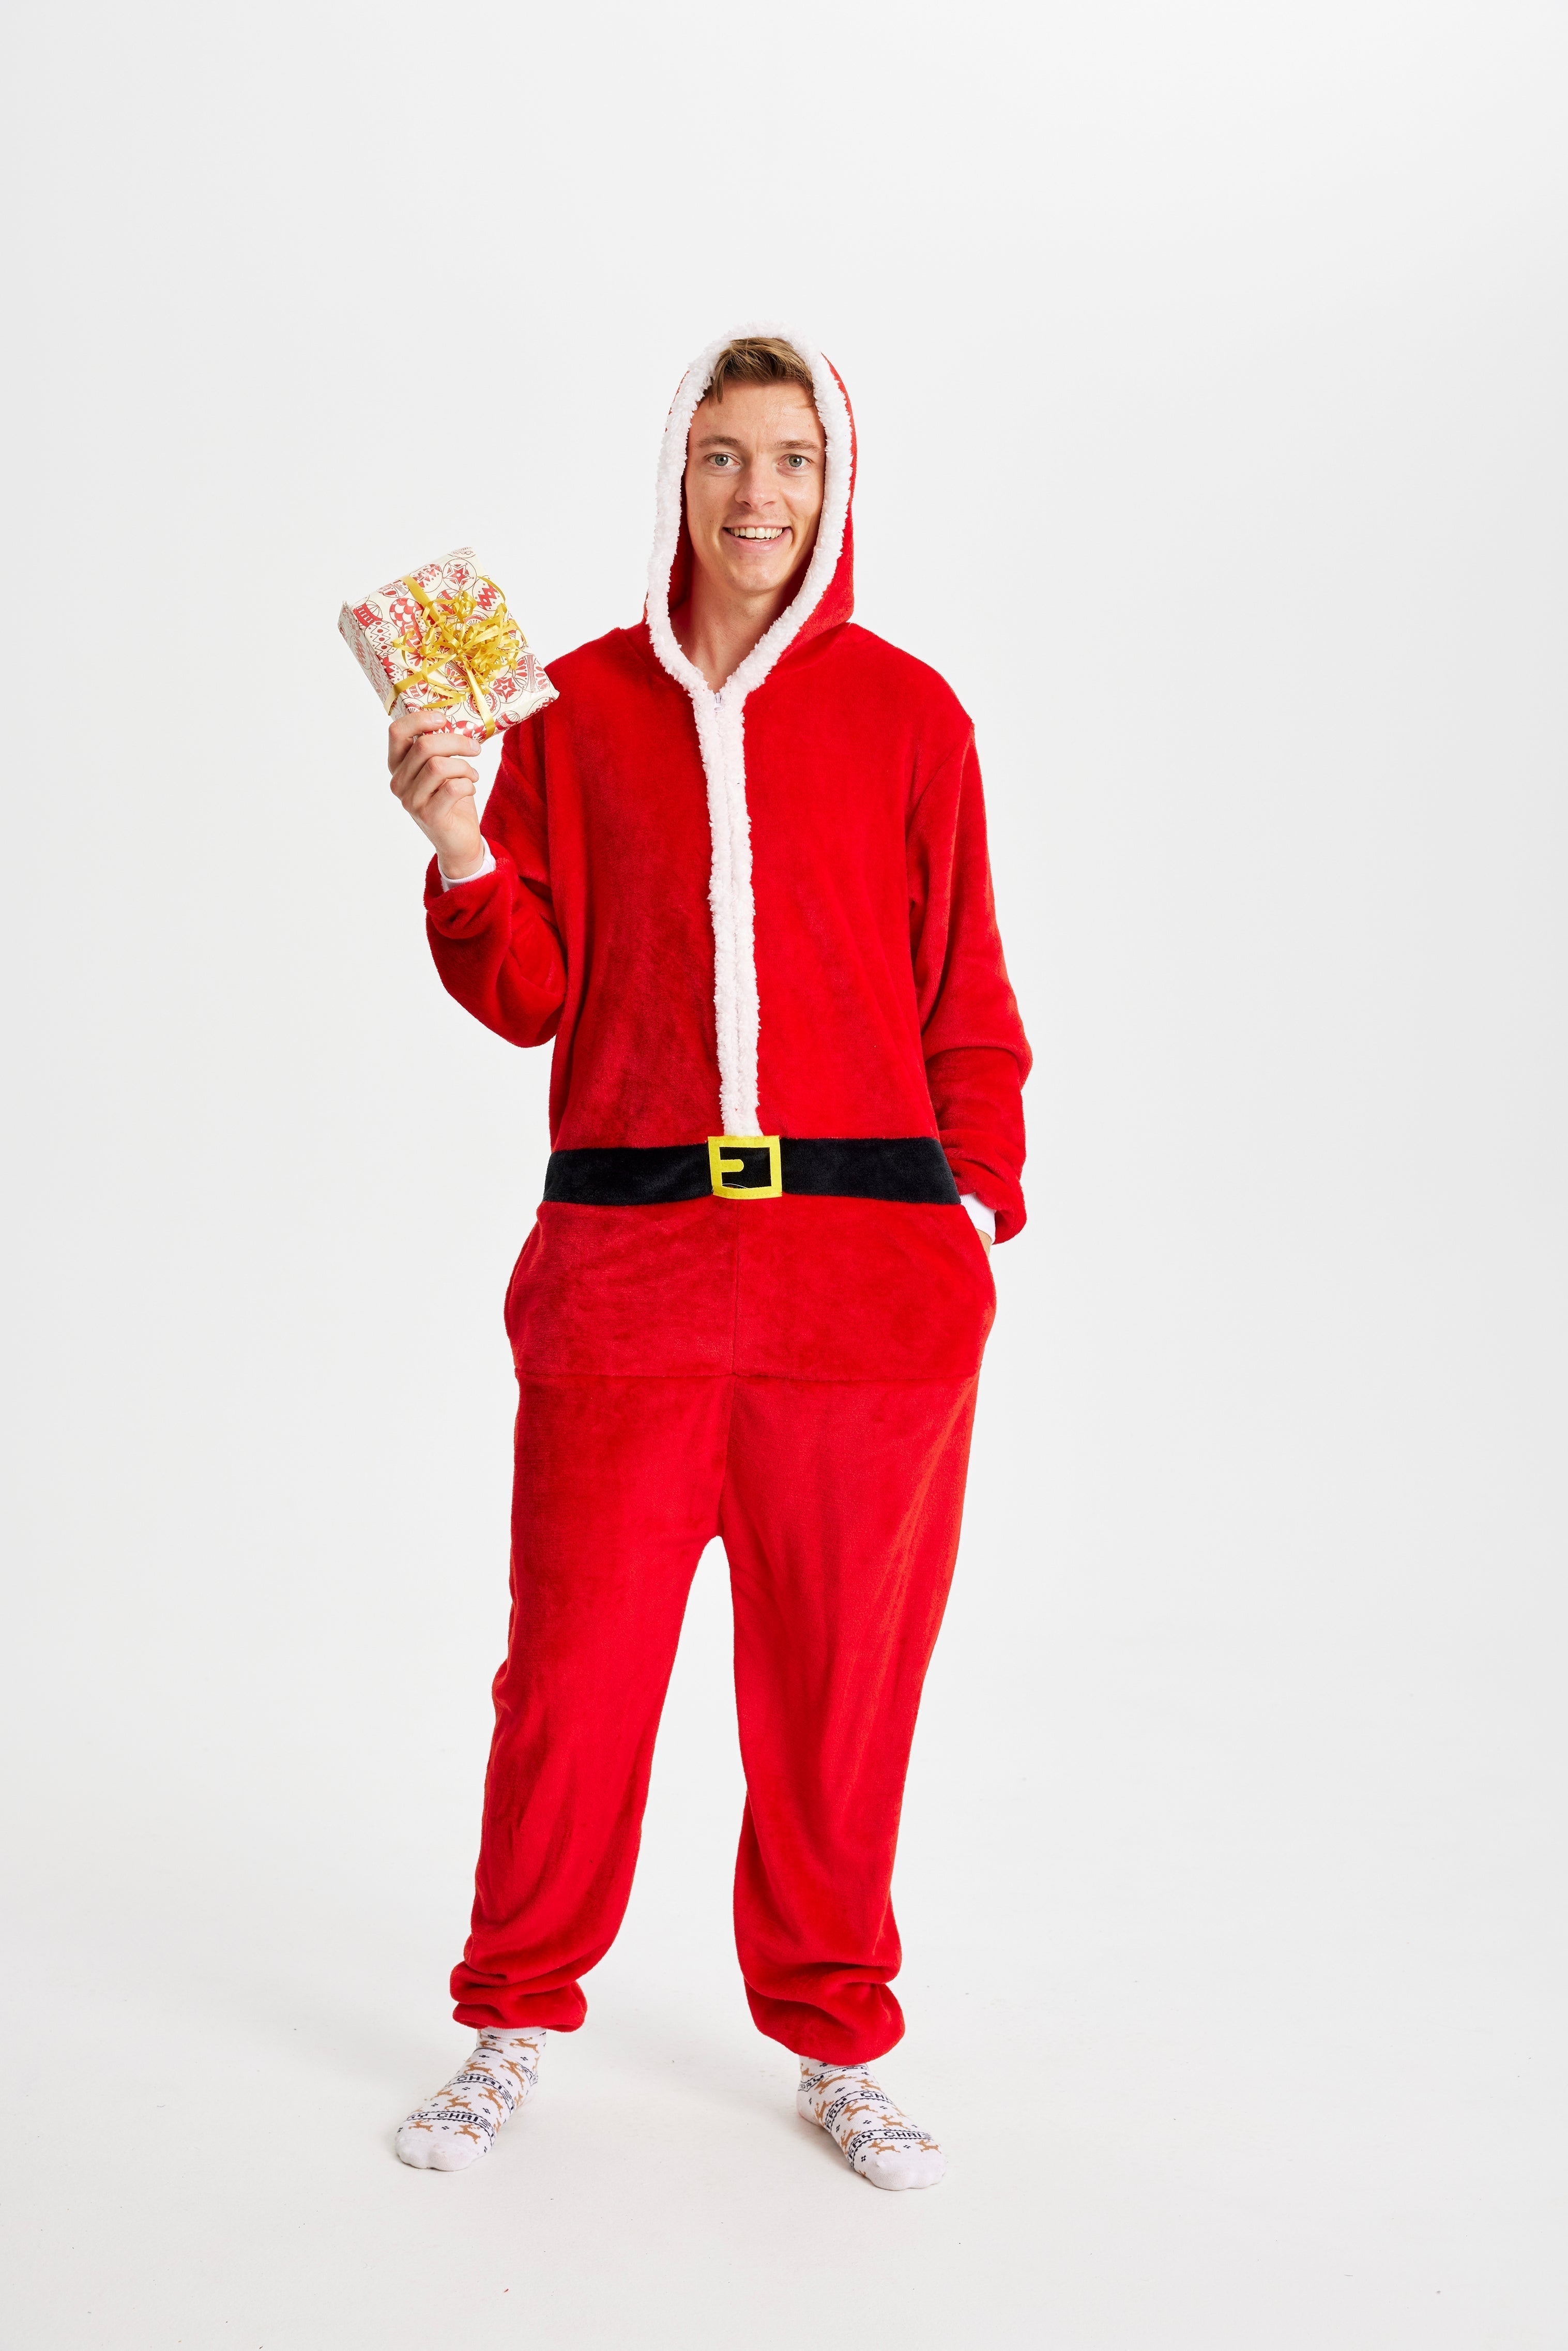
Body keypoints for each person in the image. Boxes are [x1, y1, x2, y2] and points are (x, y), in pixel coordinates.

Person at [385, 328, 1031, 2191]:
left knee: (841, 1686)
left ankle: (836, 2036)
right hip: (627, 1270)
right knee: (571, 1672)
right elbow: (525, 990)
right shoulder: (568, 710)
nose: (759, 497)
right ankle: (511, 2018)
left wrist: (968, 1211)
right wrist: (452, 836)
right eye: (724, 457)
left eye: (794, 460)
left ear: (839, 482)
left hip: (869, 1283)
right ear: (675, 475)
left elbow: (966, 995)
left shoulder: (913, 716)